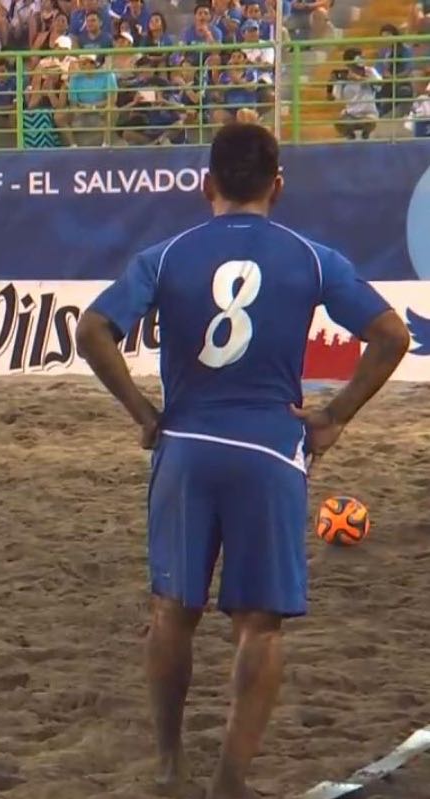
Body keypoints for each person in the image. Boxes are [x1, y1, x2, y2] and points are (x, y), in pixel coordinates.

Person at [74, 123, 410, 799]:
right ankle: (230, 781)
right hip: (269, 451)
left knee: (172, 609)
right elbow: (391, 335)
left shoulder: (167, 256)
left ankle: (170, 769)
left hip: (187, 447)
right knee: (260, 622)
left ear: (208, 185)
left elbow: (91, 330)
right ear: (277, 185)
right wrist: (335, 415)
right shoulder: (311, 257)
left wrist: (145, 415)